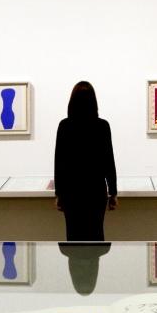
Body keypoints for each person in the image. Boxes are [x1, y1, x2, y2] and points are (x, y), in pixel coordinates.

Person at [53, 81, 118, 241]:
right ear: (93, 102)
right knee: (96, 237)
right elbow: (108, 161)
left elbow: (59, 162)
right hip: (95, 191)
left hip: (71, 192)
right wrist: (113, 192)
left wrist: (59, 194)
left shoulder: (65, 126)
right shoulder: (102, 126)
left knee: (73, 239)